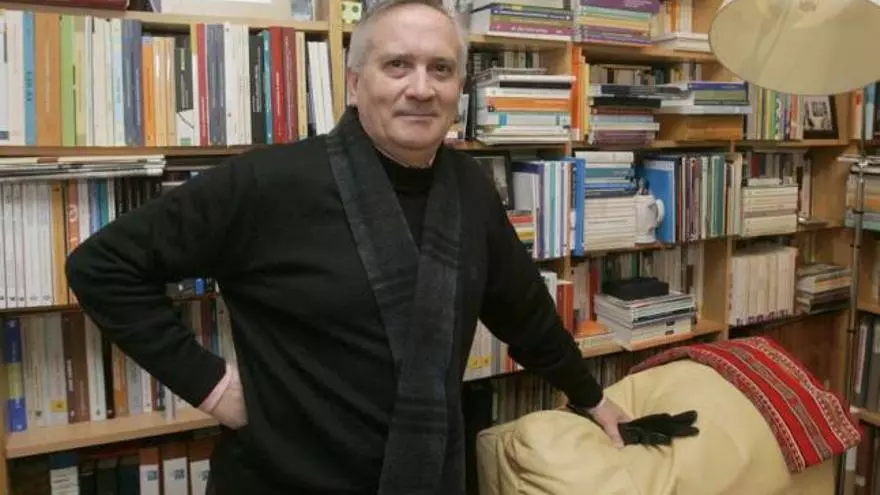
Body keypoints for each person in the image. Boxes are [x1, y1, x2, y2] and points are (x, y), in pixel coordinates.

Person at [64, 0, 630, 493]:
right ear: (355, 84)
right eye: (397, 65)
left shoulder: (471, 189)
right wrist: (210, 386)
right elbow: (102, 266)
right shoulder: (268, 183)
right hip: (281, 480)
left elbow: (523, 311)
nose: (421, 88)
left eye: (441, 69)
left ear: (459, 89)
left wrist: (590, 397)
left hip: (431, 474)